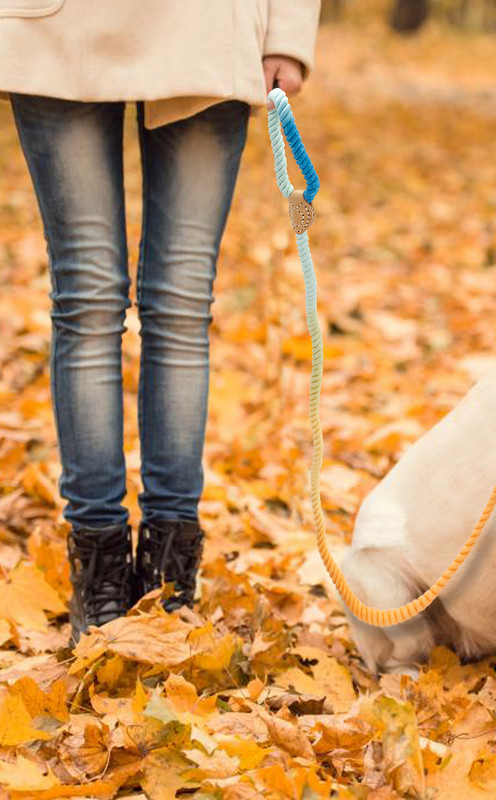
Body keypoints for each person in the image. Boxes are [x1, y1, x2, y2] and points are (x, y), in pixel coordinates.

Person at [0, 0, 320, 642]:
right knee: (87, 303)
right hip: (54, 22)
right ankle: (101, 572)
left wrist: (287, 31)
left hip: (207, 23)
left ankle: (172, 576)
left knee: (177, 307)